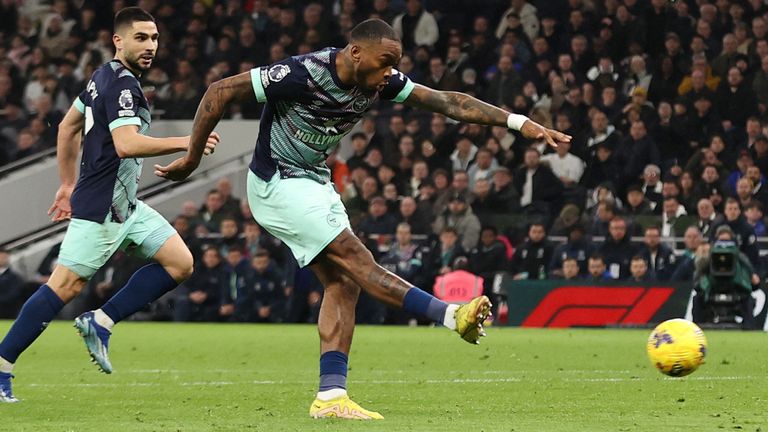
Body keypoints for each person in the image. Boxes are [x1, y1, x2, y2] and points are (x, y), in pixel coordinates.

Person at [154, 18, 570, 419]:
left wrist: (519, 122)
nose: (391, 72)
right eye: (385, 61)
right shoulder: (302, 73)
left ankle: (331, 396)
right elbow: (220, 90)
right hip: (277, 181)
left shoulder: (381, 80)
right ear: (355, 53)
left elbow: (447, 101)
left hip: (314, 182)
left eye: (395, 62)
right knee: (356, 257)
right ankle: (449, 315)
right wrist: (191, 158)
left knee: (344, 282)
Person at [0, 7, 221, 403]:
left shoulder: (103, 76)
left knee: (181, 263)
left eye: (154, 38)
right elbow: (126, 144)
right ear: (118, 40)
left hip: (126, 205)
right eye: (141, 38)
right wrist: (189, 140)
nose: (151, 45)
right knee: (64, 286)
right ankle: (1, 364)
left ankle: (100, 320)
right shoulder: (123, 87)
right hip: (102, 207)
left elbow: (68, 126)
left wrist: (67, 183)